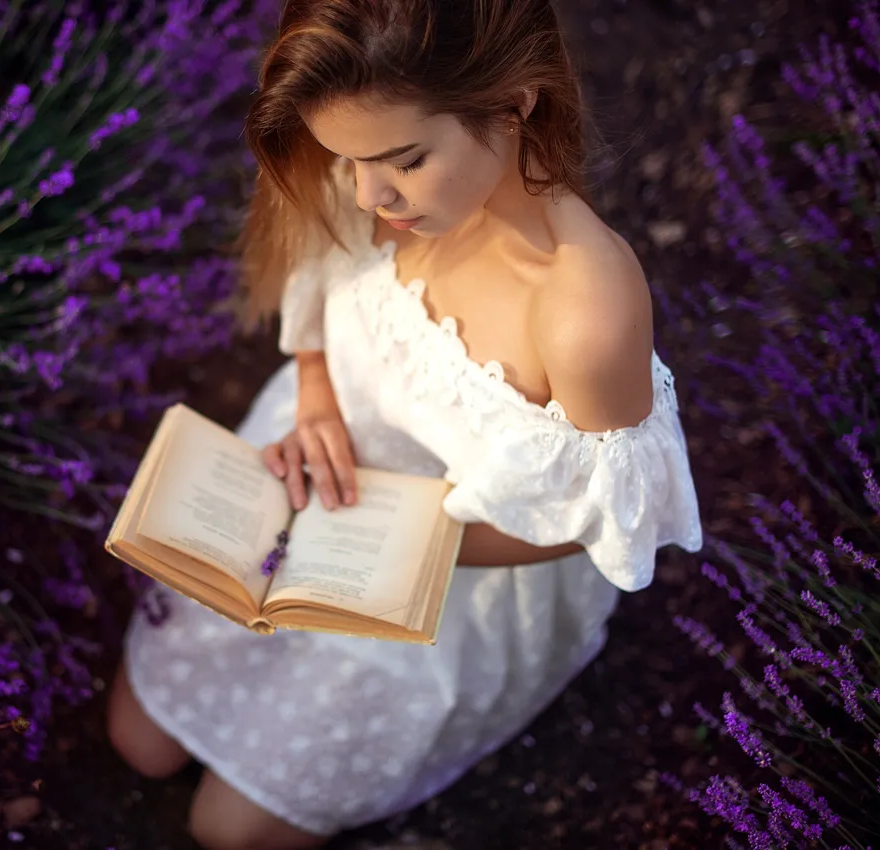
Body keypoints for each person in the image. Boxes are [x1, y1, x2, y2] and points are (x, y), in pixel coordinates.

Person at [107, 1, 703, 847]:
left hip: (450, 569)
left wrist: (395, 544)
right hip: (313, 477)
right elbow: (319, 286)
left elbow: (603, 522)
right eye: (348, 161)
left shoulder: (583, 311)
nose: (368, 195)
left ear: (516, 102)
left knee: (225, 833)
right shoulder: (371, 166)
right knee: (140, 745)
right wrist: (316, 398)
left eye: (406, 161)